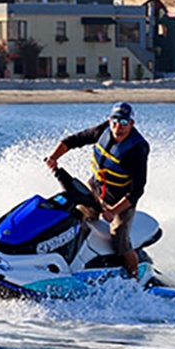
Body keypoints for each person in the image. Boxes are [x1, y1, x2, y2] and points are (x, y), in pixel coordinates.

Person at [45, 102, 149, 279]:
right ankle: (74, 257)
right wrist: (54, 157)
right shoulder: (103, 131)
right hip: (96, 188)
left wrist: (113, 211)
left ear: (131, 124)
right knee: (75, 213)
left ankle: (134, 278)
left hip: (120, 201)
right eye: (115, 121)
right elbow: (72, 141)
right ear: (110, 121)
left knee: (119, 242)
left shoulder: (137, 150)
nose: (118, 127)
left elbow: (137, 191)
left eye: (124, 123)